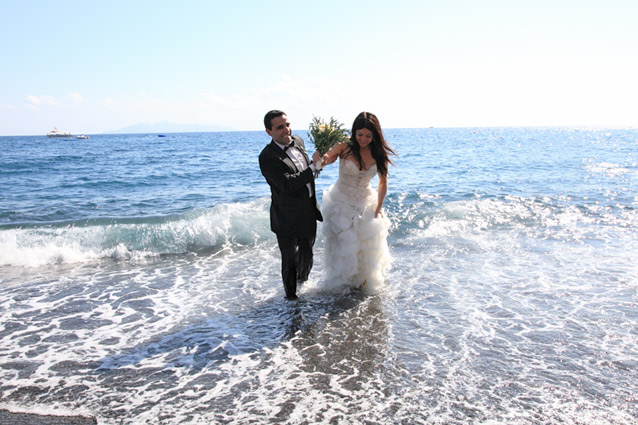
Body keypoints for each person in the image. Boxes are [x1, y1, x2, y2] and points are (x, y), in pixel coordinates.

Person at [319, 112, 396, 291]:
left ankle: (362, 282)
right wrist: (321, 159)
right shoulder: (344, 146)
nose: (363, 139)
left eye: (368, 136)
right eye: (359, 134)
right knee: (345, 244)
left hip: (366, 200)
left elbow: (383, 182)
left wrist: (379, 206)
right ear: (354, 132)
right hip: (340, 201)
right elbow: (328, 158)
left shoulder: (378, 153)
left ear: (374, 135)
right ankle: (342, 285)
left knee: (367, 244)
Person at [259, 110, 323, 300]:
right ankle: (291, 301)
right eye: (280, 127)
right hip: (286, 217)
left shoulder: (299, 141)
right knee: (289, 260)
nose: (286, 130)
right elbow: (287, 184)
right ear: (268, 131)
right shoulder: (267, 157)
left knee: (307, 254)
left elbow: (307, 172)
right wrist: (312, 168)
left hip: (309, 212)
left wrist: (317, 163)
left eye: (287, 124)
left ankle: (303, 287)